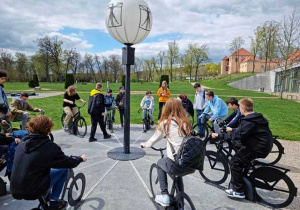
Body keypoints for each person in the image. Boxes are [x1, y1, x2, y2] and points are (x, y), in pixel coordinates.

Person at [10, 115, 87, 209]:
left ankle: (46, 200)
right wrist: (80, 158)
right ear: (48, 130)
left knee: (44, 173)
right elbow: (68, 162)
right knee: (63, 169)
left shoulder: (23, 141)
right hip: (33, 190)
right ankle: (54, 203)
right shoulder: (49, 147)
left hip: (14, 188)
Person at [211, 98, 273, 199]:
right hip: (263, 145)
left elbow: (237, 135)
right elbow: (244, 131)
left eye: (240, 107)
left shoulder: (249, 120)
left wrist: (218, 136)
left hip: (258, 148)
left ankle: (238, 190)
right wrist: (233, 129)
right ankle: (243, 178)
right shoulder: (255, 117)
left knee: (235, 161)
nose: (239, 109)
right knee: (241, 153)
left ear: (243, 109)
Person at [140, 98, 195, 207]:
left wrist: (144, 144)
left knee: (160, 163)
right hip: (192, 163)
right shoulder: (186, 121)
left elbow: (153, 139)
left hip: (177, 163)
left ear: (167, 108)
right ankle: (181, 203)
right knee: (178, 176)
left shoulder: (166, 123)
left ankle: (164, 194)